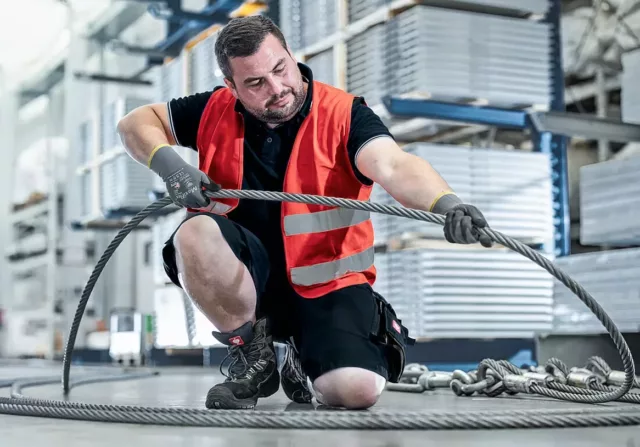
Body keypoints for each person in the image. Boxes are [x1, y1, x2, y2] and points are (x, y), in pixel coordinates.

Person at [117, 15, 493, 411]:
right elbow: (134, 123)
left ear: (291, 56)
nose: (276, 89)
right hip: (251, 290)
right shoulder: (213, 110)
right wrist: (171, 166)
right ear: (232, 87)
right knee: (192, 233)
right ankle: (254, 357)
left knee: (355, 392)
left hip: (329, 284)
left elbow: (394, 166)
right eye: (255, 83)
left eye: (280, 69)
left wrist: (446, 203)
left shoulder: (345, 115)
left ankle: (304, 357)